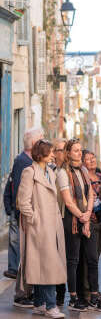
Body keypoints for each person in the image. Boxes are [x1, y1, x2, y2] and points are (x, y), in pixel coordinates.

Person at [16, 139, 67, 319]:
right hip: (39, 226)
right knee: (48, 265)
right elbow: (23, 201)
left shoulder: (50, 173)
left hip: (51, 225)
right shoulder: (29, 172)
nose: (54, 155)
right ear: (42, 153)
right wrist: (34, 220)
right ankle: (51, 305)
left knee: (42, 264)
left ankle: (39, 303)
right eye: (51, 152)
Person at [57, 138, 101, 312]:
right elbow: (68, 200)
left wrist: (87, 215)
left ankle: (93, 296)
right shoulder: (63, 172)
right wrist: (82, 217)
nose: (80, 153)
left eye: (81, 150)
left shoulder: (84, 170)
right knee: (73, 261)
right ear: (68, 153)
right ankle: (73, 298)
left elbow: (91, 195)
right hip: (71, 221)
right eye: (76, 150)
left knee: (92, 259)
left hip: (87, 219)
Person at [5, 127, 44, 308]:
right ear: (34, 143)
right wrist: (24, 214)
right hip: (25, 215)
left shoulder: (29, 160)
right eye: (41, 139)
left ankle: (27, 292)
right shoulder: (23, 161)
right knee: (26, 253)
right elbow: (21, 190)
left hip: (29, 214)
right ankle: (22, 293)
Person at [80, 150, 101, 305]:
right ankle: (86, 293)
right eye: (87, 159)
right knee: (88, 258)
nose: (91, 161)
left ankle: (93, 290)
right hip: (89, 221)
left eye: (93, 158)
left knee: (95, 257)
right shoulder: (82, 178)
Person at [52, 138, 68, 307]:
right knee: (57, 258)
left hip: (69, 219)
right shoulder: (51, 171)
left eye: (66, 149)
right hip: (56, 220)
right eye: (61, 150)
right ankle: (58, 293)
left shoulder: (70, 171)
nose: (64, 153)